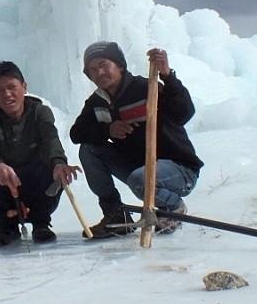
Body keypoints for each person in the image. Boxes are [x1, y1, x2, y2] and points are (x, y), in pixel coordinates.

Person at [70, 42, 203, 238]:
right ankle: (116, 214)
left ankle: (173, 208)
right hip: (138, 171)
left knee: (140, 179)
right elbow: (77, 134)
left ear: (120, 66)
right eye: (92, 69)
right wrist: (108, 130)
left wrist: (168, 75)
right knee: (89, 149)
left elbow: (184, 112)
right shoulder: (97, 102)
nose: (99, 72)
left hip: (179, 170)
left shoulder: (146, 88)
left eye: (104, 64)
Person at [0, 61, 81, 247]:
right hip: (6, 187)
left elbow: (51, 140)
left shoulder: (40, 113)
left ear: (24, 87)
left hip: (36, 181)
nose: (7, 95)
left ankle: (41, 222)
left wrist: (59, 162)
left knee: (53, 171)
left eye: (12, 87)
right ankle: (7, 225)